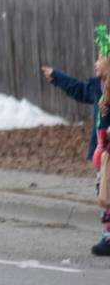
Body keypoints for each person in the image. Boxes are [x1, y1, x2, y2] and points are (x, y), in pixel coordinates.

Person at [44, 29, 110, 256]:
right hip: (102, 152)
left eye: (100, 59)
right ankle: (108, 235)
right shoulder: (95, 88)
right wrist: (57, 77)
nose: (95, 63)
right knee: (104, 193)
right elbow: (78, 89)